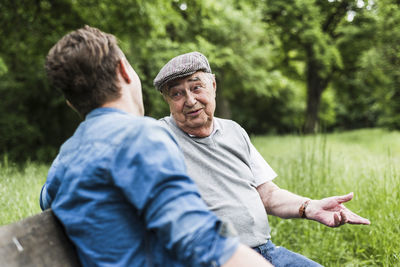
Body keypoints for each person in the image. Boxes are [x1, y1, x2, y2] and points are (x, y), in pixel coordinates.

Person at [39, 26, 272, 267]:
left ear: (70, 102)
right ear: (124, 71)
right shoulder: (142, 136)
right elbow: (198, 239)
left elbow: (48, 198)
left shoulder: (65, 157)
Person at [153, 51, 371, 266]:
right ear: (167, 101)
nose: (190, 100)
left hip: (265, 250)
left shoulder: (234, 131)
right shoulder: (158, 137)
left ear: (213, 85)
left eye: (196, 87)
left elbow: (267, 195)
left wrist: (310, 207)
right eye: (177, 94)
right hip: (214, 259)